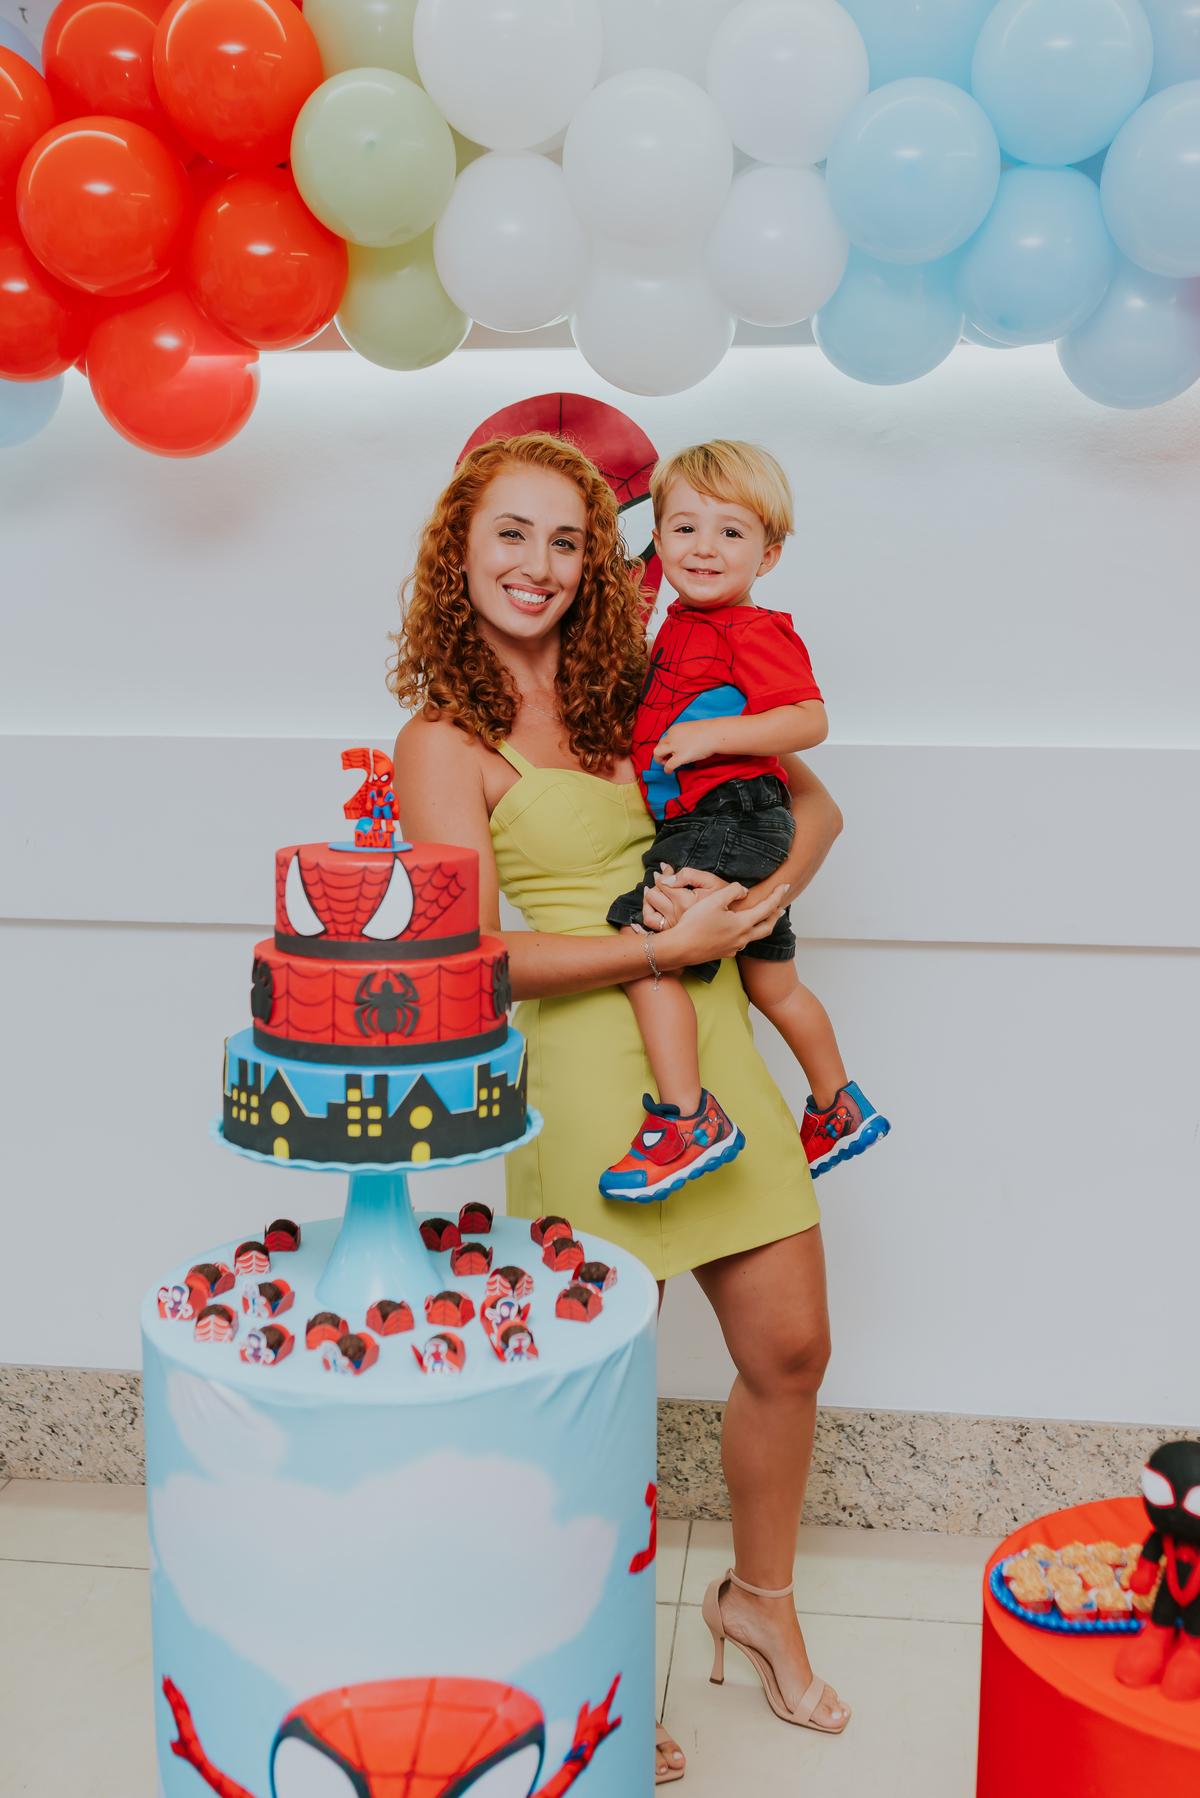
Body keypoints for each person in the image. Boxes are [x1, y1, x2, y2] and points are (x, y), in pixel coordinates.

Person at [390, 432, 851, 1784]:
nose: (538, 566)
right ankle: (584, 1654)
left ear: (604, 559)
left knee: (792, 1348)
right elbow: (470, 960)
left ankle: (756, 1602)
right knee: (595, 1398)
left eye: (568, 540)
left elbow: (814, 805)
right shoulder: (444, 741)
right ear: (458, 552)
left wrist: (762, 899)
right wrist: (655, 948)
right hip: (598, 1082)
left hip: (711, 1044)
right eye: (511, 535)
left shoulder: (638, 685)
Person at [601, 440, 889, 1202]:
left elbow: (809, 719)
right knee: (775, 983)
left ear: (768, 555)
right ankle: (836, 1103)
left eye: (731, 532)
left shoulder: (750, 629)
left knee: (643, 946)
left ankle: (686, 1117)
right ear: (658, 540)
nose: (705, 547)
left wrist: (715, 737)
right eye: (685, 527)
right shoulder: (678, 625)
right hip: (741, 827)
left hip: (728, 818)